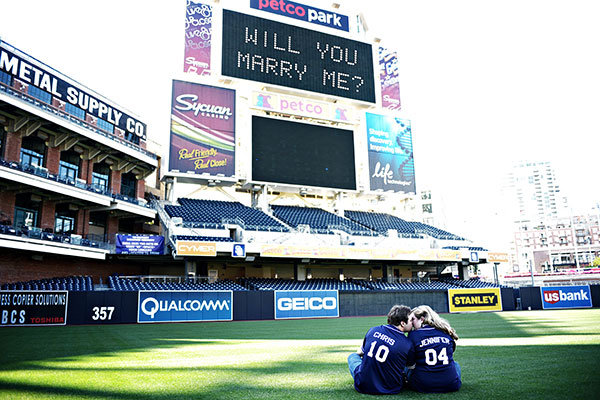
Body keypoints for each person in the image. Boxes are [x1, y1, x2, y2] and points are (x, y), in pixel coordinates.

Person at [348, 305, 415, 395]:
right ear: (403, 323)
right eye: (411, 320)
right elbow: (411, 366)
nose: (412, 323)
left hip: (363, 385)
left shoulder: (373, 330)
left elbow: (361, 352)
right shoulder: (408, 343)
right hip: (392, 388)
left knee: (353, 356)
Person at [406, 305, 462, 393]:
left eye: (413, 319)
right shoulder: (445, 331)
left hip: (422, 385)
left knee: (407, 368)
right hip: (451, 385)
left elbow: (410, 362)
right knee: (455, 365)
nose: (411, 323)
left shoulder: (413, 335)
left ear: (422, 319)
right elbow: (451, 351)